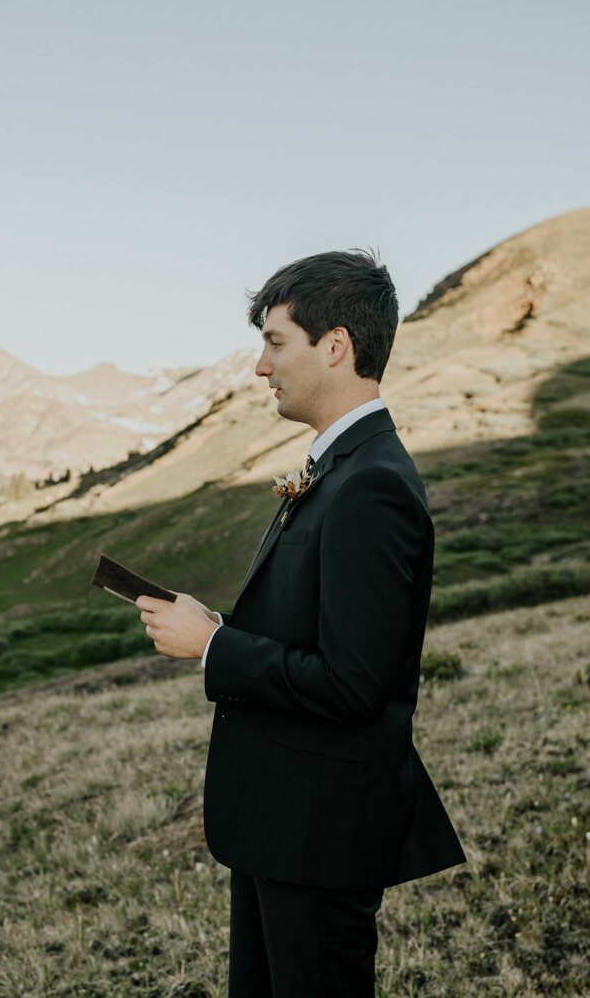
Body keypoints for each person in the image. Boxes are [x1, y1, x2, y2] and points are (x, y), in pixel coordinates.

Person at [138, 251, 465, 997]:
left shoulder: (371, 483)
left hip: (320, 833)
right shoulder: (339, 467)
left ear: (336, 345)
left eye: (275, 342)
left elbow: (354, 682)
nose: (260, 366)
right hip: (280, 825)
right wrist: (215, 624)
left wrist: (215, 646)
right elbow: (316, 633)